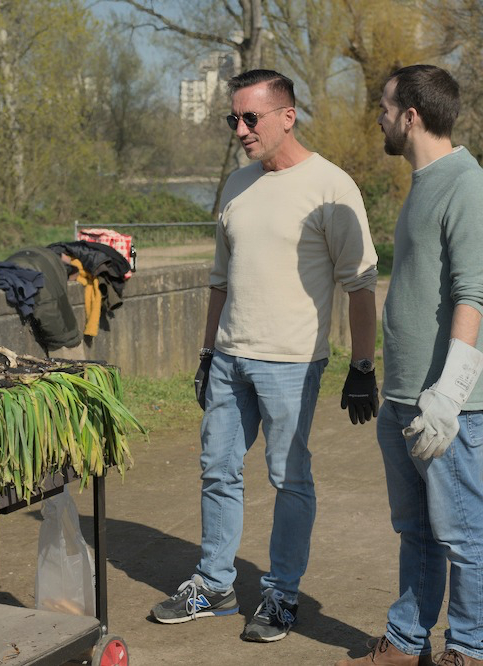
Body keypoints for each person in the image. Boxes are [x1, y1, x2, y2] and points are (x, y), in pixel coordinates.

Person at [150, 69, 380, 644]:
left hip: (293, 363)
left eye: (250, 118)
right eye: (233, 118)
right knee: (217, 470)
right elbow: (220, 280)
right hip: (229, 359)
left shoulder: (331, 186)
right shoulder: (237, 184)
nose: (241, 129)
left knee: (288, 477)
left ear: (287, 116)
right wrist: (208, 352)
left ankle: (281, 594)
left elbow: (360, 284)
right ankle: (215, 584)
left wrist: (362, 366)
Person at [335, 65, 483, 666]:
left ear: (411, 116)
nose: (377, 118)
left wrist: (449, 396)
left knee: (461, 530)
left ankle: (468, 648)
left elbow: (472, 293)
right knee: (417, 529)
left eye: (384, 107)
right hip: (405, 394)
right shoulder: (424, 182)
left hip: (444, 403)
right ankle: (408, 642)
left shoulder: (467, 185)